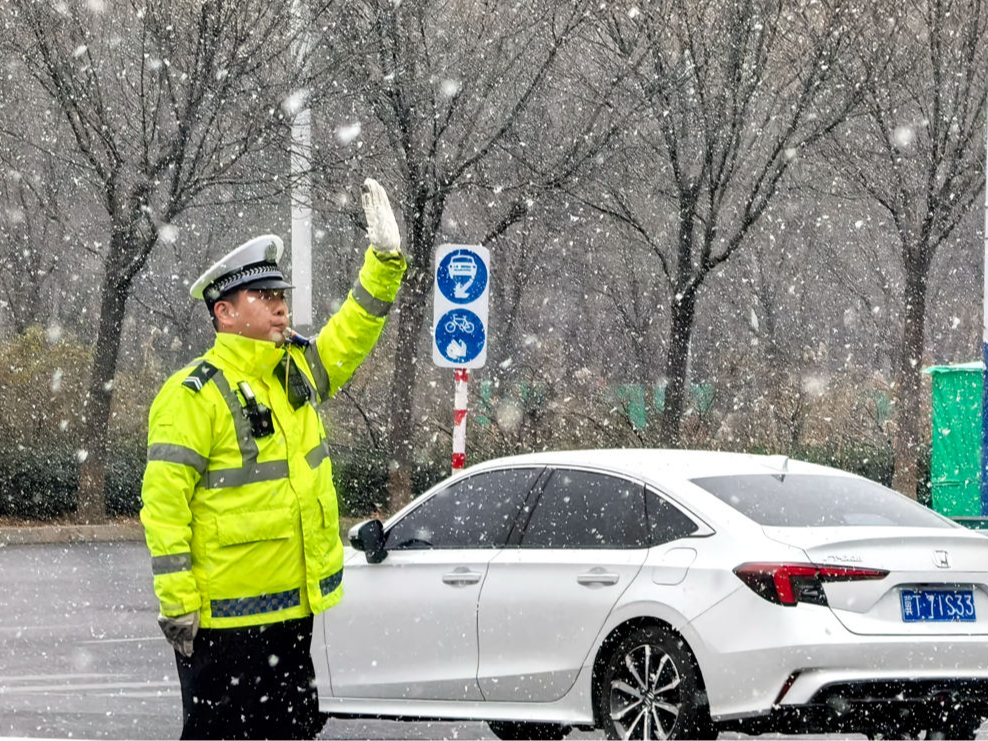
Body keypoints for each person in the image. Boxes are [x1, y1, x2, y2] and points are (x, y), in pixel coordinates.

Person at [140, 179, 405, 741]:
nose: (282, 305)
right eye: (265, 297)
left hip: (292, 612)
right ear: (225, 312)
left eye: (282, 294)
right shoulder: (192, 395)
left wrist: (383, 263)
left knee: (293, 732)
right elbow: (164, 508)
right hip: (225, 624)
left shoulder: (293, 374)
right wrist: (179, 603)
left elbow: (352, 334)